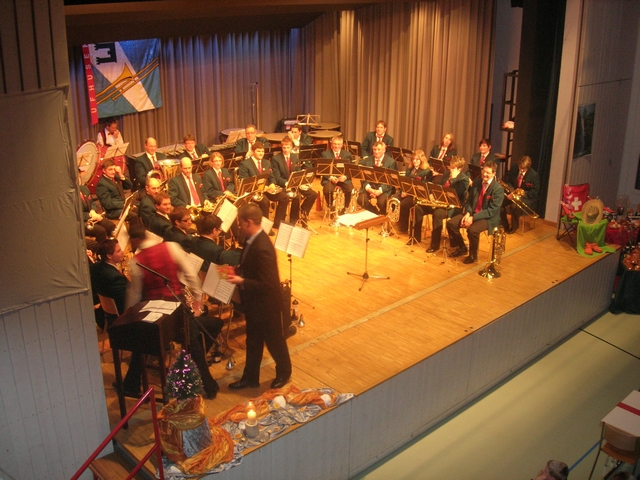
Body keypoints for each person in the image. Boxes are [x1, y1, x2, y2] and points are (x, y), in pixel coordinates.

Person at [124, 225, 222, 399]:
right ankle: (209, 386)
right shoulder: (171, 247)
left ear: (135, 240)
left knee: (142, 344)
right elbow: (191, 275)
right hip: (177, 307)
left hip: (155, 313)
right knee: (193, 344)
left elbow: (135, 294)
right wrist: (197, 299)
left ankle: (131, 385)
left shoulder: (136, 261)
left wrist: (128, 315)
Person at [227, 203, 292, 390]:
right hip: (255, 303)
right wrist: (239, 269)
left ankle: (284, 372)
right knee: (253, 340)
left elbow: (268, 284)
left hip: (267, 305)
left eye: (240, 223)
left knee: (274, 341)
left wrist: (241, 280)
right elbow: (251, 266)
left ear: (248, 222)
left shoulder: (263, 247)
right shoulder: (252, 239)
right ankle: (250, 377)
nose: (238, 227)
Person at [446, 160, 504, 264]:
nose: (484, 174)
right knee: (451, 223)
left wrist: (473, 218)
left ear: (494, 173)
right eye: (483, 171)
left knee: (472, 230)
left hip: (488, 218)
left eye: (488, 173)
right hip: (472, 213)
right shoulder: (477, 182)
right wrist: (468, 213)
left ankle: (473, 256)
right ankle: (462, 247)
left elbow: (491, 211)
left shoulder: (498, 189)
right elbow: (469, 201)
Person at [419, 156, 470, 250]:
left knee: (437, 214)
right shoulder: (446, 173)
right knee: (419, 207)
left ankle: (434, 245)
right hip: (440, 202)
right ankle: (416, 237)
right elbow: (439, 187)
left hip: (453, 207)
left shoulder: (464, 179)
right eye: (450, 167)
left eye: (453, 168)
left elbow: (457, 194)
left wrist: (453, 179)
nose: (450, 169)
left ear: (460, 169)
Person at [237, 143, 289, 230]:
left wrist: (272, 183)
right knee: (265, 201)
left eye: (262, 151)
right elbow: (245, 182)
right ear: (253, 151)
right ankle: (265, 227)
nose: (261, 153)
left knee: (285, 197)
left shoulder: (267, 162)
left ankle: (277, 223)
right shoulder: (244, 164)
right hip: (253, 192)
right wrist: (260, 188)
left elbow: (271, 176)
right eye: (258, 151)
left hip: (267, 190)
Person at [271, 136, 318, 227]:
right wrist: (287, 183)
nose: (286, 150)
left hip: (295, 184)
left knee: (313, 194)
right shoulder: (276, 159)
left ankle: (303, 213)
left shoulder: (295, 157)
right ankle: (293, 219)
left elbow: (298, 172)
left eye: (288, 147)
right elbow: (277, 177)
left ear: (291, 147)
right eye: (284, 147)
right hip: (284, 185)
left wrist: (303, 182)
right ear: (281, 147)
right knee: (297, 196)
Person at [89, 239, 128, 319]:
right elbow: (125, 302)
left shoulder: (95, 267)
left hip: (102, 314)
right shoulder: (116, 278)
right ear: (109, 256)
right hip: (120, 318)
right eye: (118, 251)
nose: (122, 252)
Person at [501, 155, 540, 234]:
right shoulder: (514, 168)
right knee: (499, 202)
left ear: (528, 167)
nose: (521, 170)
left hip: (526, 197)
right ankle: (505, 225)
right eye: (520, 168)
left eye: (523, 169)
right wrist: (511, 191)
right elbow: (509, 181)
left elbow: (534, 192)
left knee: (514, 206)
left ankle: (515, 226)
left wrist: (520, 193)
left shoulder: (534, 175)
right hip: (513, 192)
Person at [396, 150, 433, 233]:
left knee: (404, 204)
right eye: (413, 159)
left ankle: (404, 226)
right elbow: (404, 182)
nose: (415, 161)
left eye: (417, 159)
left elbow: (423, 188)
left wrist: (408, 193)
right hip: (406, 193)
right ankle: (398, 221)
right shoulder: (409, 169)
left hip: (416, 195)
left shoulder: (427, 171)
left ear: (422, 160)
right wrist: (402, 192)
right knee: (394, 199)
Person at [357, 141, 397, 215]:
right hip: (370, 186)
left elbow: (391, 181)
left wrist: (380, 191)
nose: (376, 152)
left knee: (382, 203)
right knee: (361, 200)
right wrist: (369, 189)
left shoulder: (391, 162)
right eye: (374, 149)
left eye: (379, 149)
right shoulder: (367, 161)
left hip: (384, 188)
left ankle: (382, 215)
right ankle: (375, 213)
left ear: (384, 150)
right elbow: (363, 177)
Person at [78, 170, 115, 249]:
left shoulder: (84, 188)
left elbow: (91, 202)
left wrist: (92, 211)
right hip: (81, 222)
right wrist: (89, 215)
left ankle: (110, 247)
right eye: (76, 178)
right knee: (101, 231)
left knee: (110, 226)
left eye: (79, 176)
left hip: (91, 217)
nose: (78, 179)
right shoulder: (70, 196)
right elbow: (75, 214)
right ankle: (100, 252)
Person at [321, 136, 354, 215]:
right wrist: (331, 177)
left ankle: (345, 208)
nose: (336, 146)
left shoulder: (347, 154)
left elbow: (351, 169)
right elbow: (322, 170)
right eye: (335, 144)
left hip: (343, 178)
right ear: (331, 144)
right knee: (327, 191)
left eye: (338, 144)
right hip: (330, 178)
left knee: (349, 189)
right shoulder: (325, 154)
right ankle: (331, 208)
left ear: (342, 145)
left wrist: (345, 177)